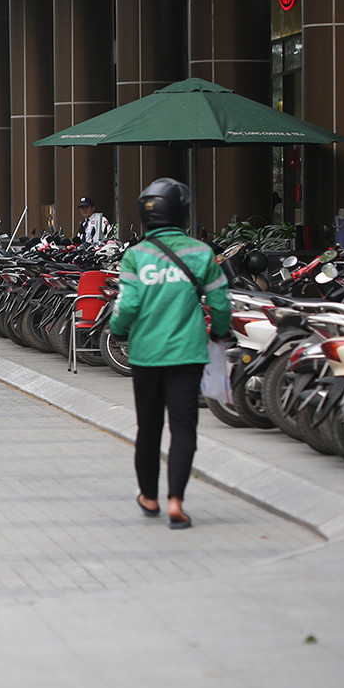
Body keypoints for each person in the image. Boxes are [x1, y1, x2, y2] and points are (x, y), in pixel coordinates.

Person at [108, 178, 232, 530]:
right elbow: (221, 303)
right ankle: (177, 501)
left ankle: (149, 496)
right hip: (188, 353)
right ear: (181, 212)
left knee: (149, 428)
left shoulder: (136, 255)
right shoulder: (201, 253)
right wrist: (220, 331)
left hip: (146, 354)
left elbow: (127, 304)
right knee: (184, 427)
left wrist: (117, 329)